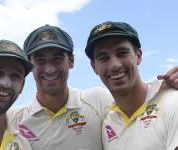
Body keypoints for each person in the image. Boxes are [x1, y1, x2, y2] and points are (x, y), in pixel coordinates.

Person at [10, 24, 178, 150]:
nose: (50, 68)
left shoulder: (98, 101)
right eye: (40, 59)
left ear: (71, 61)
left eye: (57, 58)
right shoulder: (12, 119)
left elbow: (141, 98)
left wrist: (168, 86)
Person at [85, 21, 178, 150]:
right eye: (103, 57)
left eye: (122, 53)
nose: (115, 65)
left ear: (138, 56)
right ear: (94, 67)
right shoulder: (106, 119)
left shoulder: (172, 102)